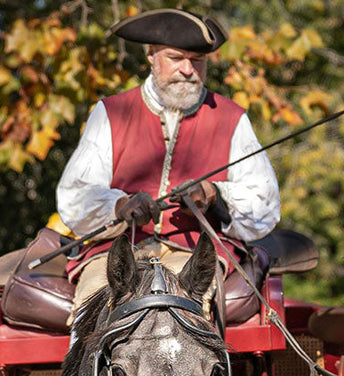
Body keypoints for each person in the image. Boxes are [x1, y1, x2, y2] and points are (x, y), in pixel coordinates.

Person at [56, 8, 279, 322]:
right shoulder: (111, 111)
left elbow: (265, 205)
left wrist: (214, 195)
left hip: (194, 255)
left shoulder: (232, 118)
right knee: (95, 304)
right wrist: (119, 205)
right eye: (176, 58)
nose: (188, 69)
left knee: (178, 307)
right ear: (151, 55)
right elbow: (75, 195)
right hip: (117, 253)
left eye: (197, 61)